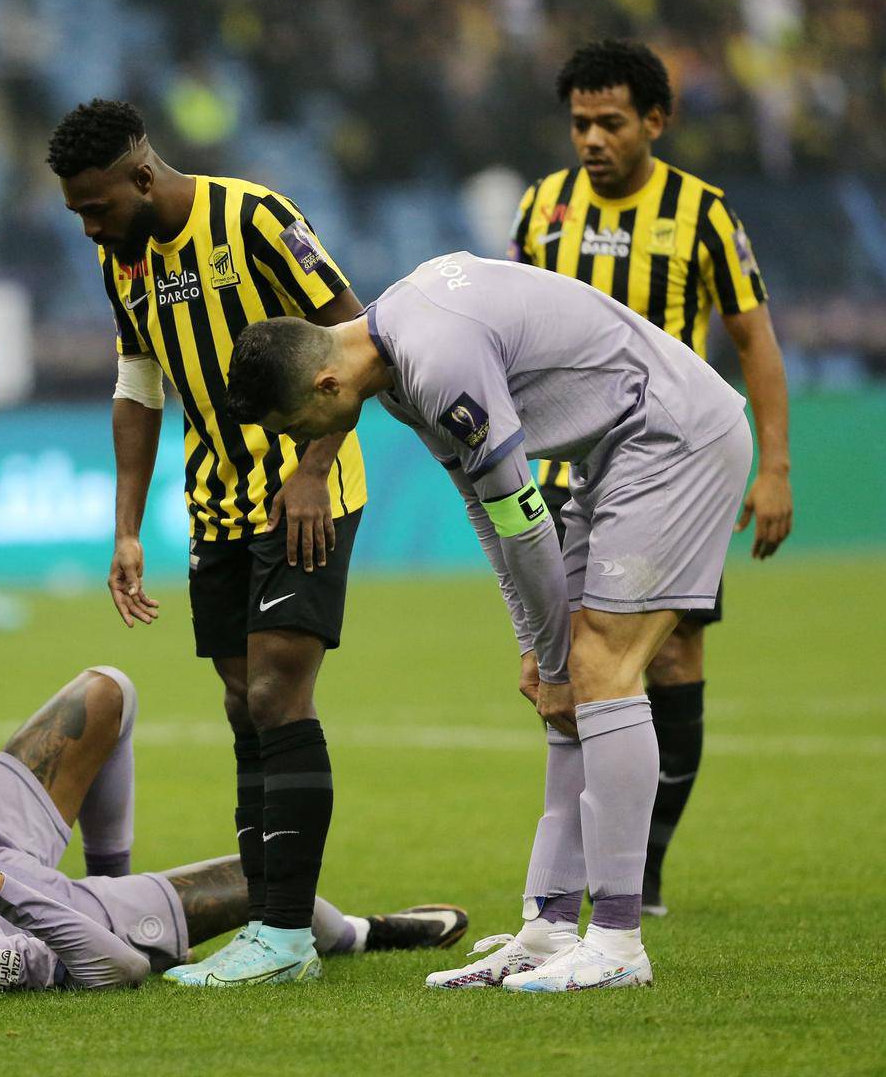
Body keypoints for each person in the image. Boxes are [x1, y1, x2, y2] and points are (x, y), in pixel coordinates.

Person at [223, 251, 755, 991]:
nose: (301, 444)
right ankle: (547, 930)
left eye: (296, 427)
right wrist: (537, 646)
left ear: (326, 383)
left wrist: (561, 657)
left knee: (599, 667)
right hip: (614, 451)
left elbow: (529, 527)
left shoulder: (437, 361)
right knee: (564, 681)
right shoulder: (399, 372)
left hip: (674, 437)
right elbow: (488, 513)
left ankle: (619, 942)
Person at [46, 99, 367, 987]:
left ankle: (285, 936)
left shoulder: (256, 218)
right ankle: (282, 919)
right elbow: (137, 388)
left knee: (274, 693)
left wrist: (313, 465)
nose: (88, 227)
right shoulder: (126, 263)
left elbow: (359, 338)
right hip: (217, 505)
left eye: (97, 206)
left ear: (143, 177)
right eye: (75, 212)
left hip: (308, 492)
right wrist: (125, 526)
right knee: (241, 702)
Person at [509, 40, 793, 915]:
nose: (592, 139)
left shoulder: (702, 213)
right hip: (565, 469)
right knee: (567, 662)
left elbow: (753, 341)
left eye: (611, 122)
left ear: (656, 122)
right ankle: (582, 875)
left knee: (669, 656)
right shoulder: (542, 208)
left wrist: (774, 465)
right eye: (580, 123)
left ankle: (645, 874)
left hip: (668, 462)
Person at [0, 666, 468, 997]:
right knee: (270, 878)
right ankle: (360, 935)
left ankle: (115, 866)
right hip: (69, 913)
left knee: (108, 692)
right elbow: (120, 971)